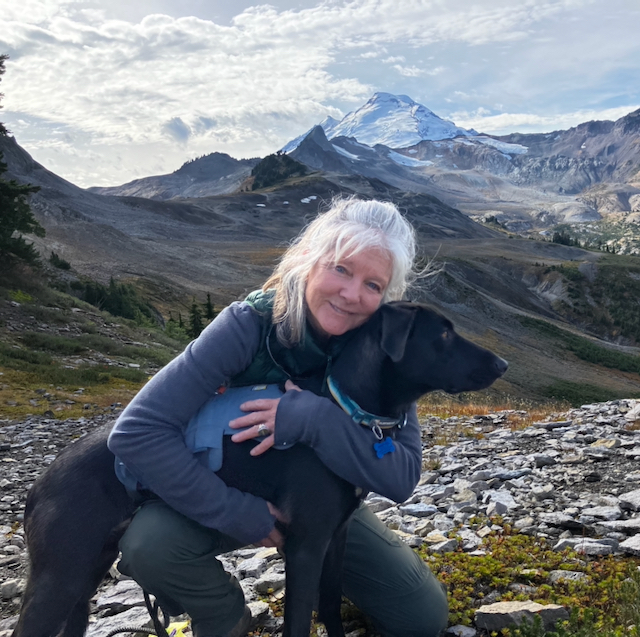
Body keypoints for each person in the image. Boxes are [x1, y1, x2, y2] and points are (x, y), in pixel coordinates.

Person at [107, 197, 449, 637]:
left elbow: (402, 476)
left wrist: (317, 420)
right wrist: (240, 513)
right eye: (341, 269)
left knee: (420, 618)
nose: (351, 294)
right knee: (150, 547)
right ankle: (224, 614)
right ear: (308, 260)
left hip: (320, 505)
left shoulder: (381, 352)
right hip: (224, 490)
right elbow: (137, 432)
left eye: (373, 285)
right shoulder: (249, 325)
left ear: (386, 297)